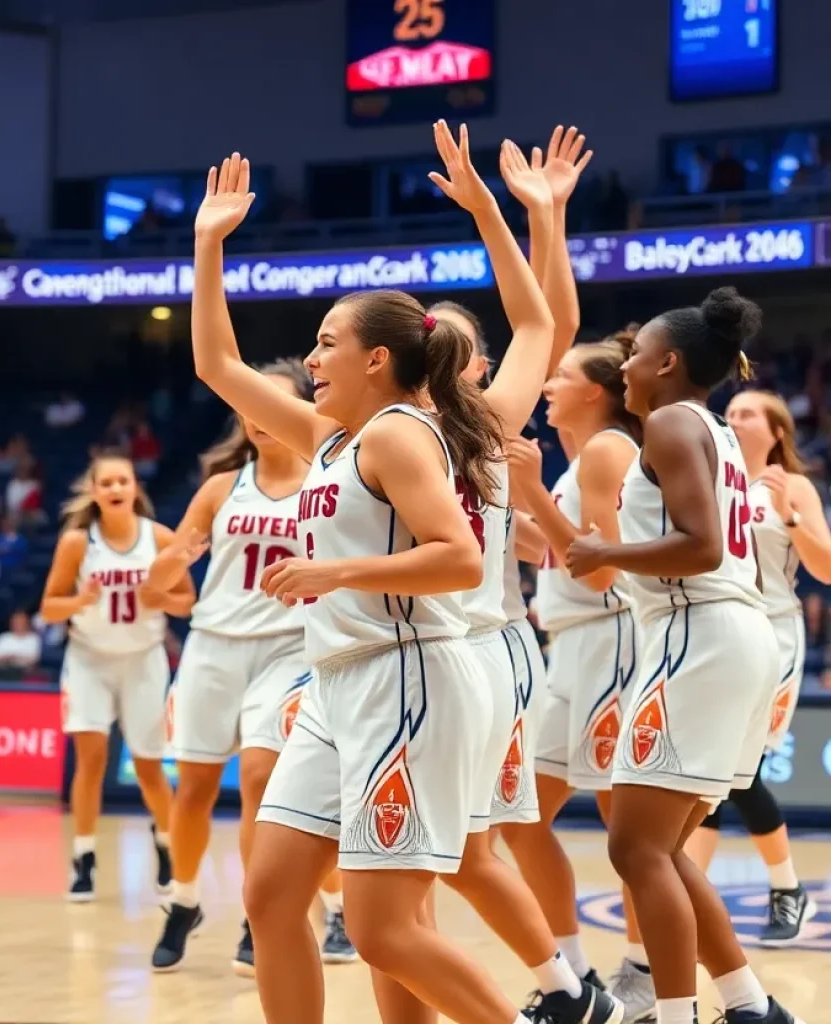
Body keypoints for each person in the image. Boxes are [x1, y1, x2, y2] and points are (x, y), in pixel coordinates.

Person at [191, 147, 618, 1024]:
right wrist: (207, 247)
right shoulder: (344, 435)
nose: (310, 357)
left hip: (410, 670)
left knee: (391, 927)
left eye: (325, 343)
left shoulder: (402, 434)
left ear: (378, 359)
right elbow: (217, 365)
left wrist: (332, 569)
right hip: (339, 677)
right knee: (273, 896)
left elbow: (460, 558)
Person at [411, 123, 620, 1024]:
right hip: (468, 651)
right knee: (475, 846)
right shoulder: (395, 436)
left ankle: (567, 986)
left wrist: (532, 217)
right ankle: (567, 981)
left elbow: (550, 321)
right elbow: (548, 322)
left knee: (458, 850)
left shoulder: (479, 427)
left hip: (478, 647)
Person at [566, 287, 803, 1024]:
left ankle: (675, 1016)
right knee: (662, 849)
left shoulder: (670, 420)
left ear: (668, 363)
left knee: (636, 850)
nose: (626, 367)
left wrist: (609, 548)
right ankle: (747, 1003)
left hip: (696, 634)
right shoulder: (712, 430)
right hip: (733, 631)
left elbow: (699, 547)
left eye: (635, 356)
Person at [151, 359, 356, 975]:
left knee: (263, 777)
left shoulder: (329, 483)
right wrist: (164, 571)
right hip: (213, 644)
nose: (260, 412)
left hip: (289, 648)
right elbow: (169, 575)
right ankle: (184, 901)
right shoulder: (221, 487)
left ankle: (256, 912)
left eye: (276, 401)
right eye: (253, 401)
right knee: (194, 791)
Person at [506, 330, 650, 1019]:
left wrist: (530, 489)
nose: (546, 385)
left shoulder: (605, 449)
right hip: (574, 648)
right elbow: (557, 552)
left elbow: (602, 572)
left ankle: (646, 972)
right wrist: (512, 506)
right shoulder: (579, 462)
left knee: (631, 832)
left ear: (595, 391)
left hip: (611, 639)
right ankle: (576, 977)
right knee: (523, 816)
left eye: (558, 375)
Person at [683, 390, 831, 944]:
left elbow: (826, 567)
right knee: (712, 772)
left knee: (740, 771)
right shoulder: (711, 480)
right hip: (717, 632)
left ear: (776, 430)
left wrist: (791, 517)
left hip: (773, 630)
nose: (736, 417)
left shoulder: (792, 486)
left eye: (749, 412)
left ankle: (787, 888)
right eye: (733, 411)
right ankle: (696, 892)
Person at [39, 451, 196, 902]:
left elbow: (188, 602)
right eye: (105, 483)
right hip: (89, 659)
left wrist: (158, 594)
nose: (114, 489)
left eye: (122, 482)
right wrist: (80, 601)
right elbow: (50, 608)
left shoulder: (160, 538)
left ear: (135, 489)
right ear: (94, 492)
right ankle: (84, 858)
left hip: (144, 659)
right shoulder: (76, 543)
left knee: (148, 767)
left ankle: (168, 848)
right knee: (90, 761)